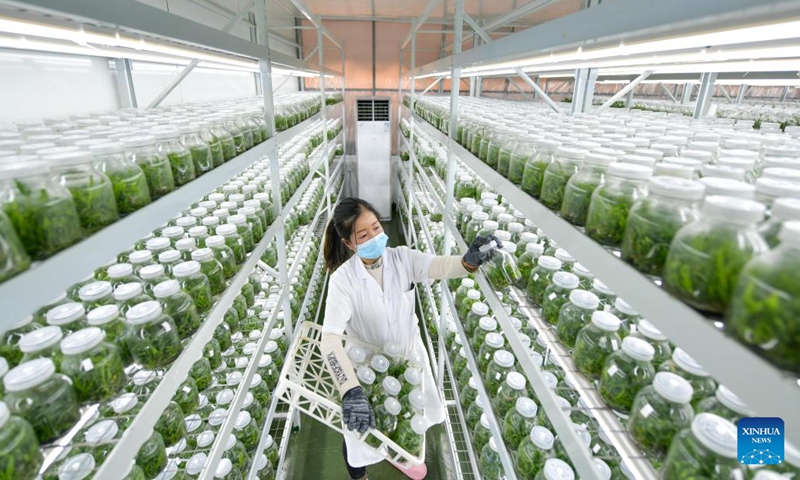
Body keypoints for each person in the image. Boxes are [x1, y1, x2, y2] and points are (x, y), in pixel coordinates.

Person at [321, 197, 497, 480]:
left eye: (376, 228)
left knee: (407, 418)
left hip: (408, 361)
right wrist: (349, 390)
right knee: (359, 431)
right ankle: (359, 474)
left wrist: (468, 261)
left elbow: (440, 266)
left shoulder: (402, 257)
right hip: (367, 372)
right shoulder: (343, 280)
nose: (375, 238)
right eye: (364, 235)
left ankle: (400, 455)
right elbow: (329, 340)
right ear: (349, 244)